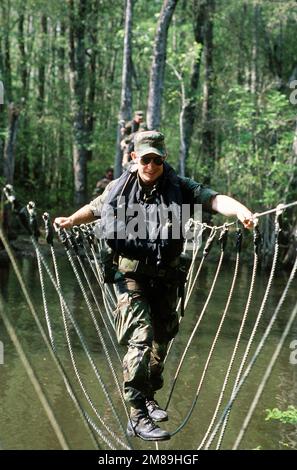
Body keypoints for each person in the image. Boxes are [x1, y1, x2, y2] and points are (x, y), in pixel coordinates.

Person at [55, 130, 254, 442]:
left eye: (157, 160)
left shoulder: (180, 187)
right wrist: (70, 221)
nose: (151, 165)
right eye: (145, 159)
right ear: (135, 159)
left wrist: (241, 209)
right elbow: (94, 209)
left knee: (161, 338)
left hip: (165, 277)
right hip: (129, 275)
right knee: (141, 336)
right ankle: (136, 415)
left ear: (164, 160)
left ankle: (148, 395)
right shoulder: (118, 188)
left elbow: (214, 199)